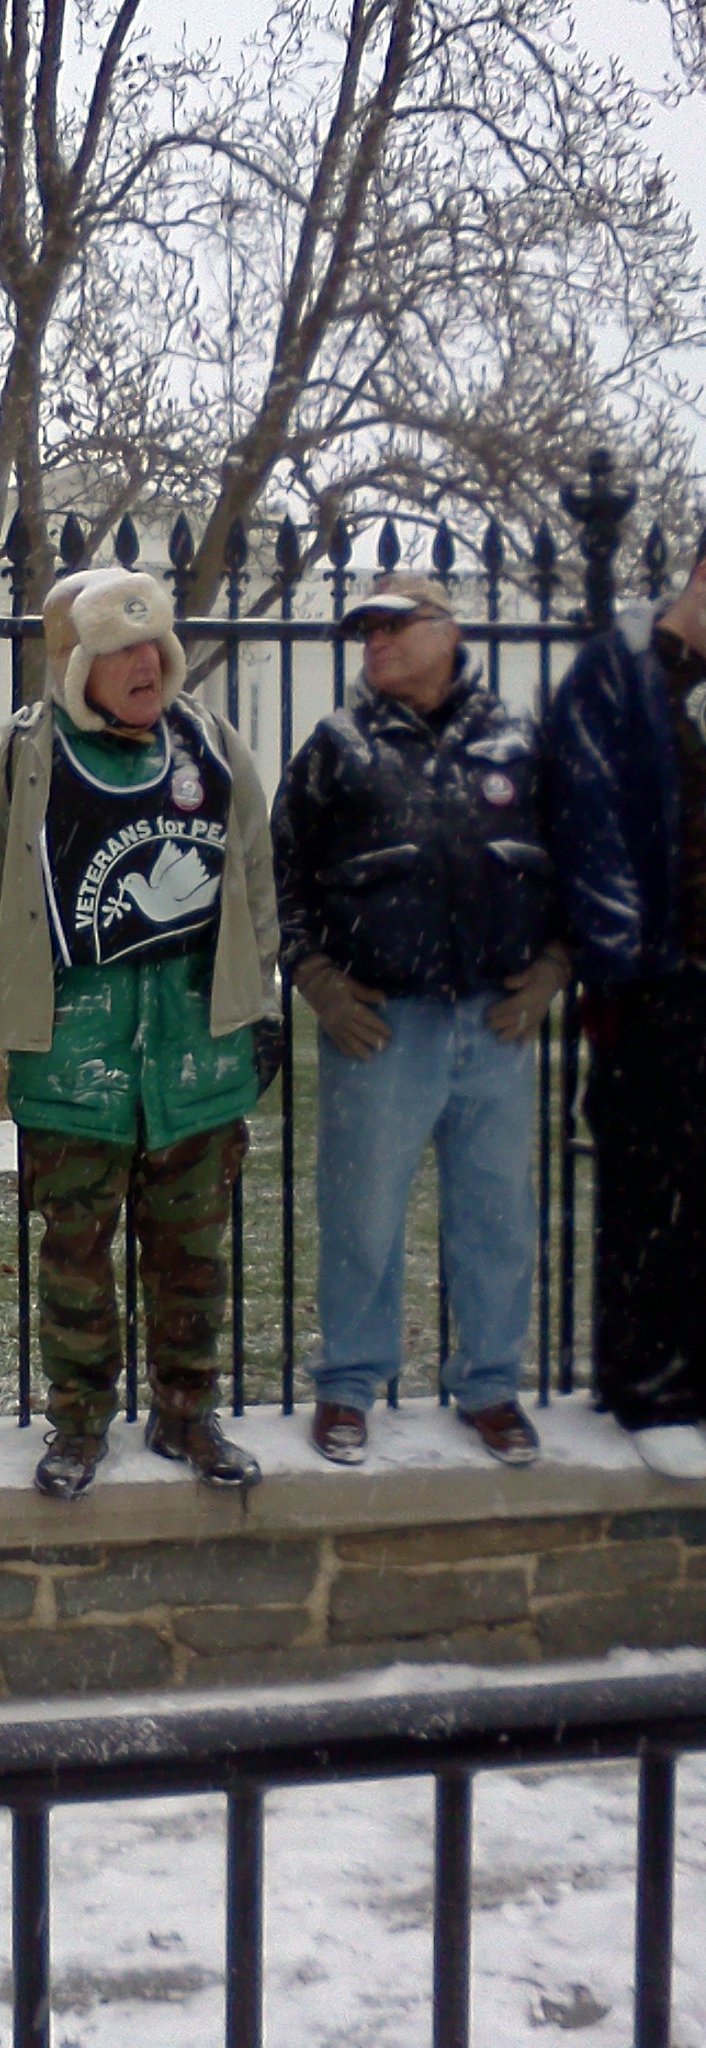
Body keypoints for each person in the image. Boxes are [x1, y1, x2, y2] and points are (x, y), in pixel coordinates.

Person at [0, 566, 277, 1501]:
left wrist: (254, 1017)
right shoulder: (13, 758)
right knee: (76, 1259)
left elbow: (253, 880)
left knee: (193, 1256)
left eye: (155, 647)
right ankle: (79, 1422)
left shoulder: (211, 748)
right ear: (74, 665)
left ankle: (187, 1413)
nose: (145, 664)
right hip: (73, 1065)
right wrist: (2, 1009)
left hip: (195, 1058)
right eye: (119, 650)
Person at [271, 573, 565, 1468]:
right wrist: (315, 976)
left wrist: (554, 968)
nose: (377, 643)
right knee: (361, 1215)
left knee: (498, 1213)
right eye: (366, 631)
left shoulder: (519, 741)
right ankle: (351, 1382)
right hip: (381, 1025)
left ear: (451, 630)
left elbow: (572, 862)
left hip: (497, 1022)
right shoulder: (337, 746)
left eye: (396, 625)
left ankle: (489, 1385)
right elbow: (282, 875)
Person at [545, 537, 706, 1479]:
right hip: (654, 982)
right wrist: (625, 966)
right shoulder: (621, 672)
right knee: (654, 1186)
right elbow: (588, 819)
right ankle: (647, 1387)